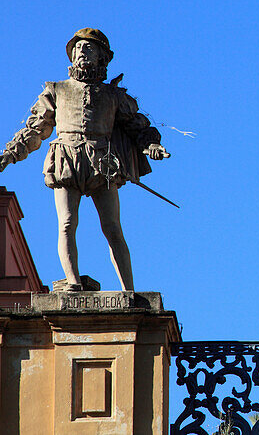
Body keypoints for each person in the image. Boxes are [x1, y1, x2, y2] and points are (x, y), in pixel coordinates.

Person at [0, 28, 170, 291]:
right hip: (66, 158)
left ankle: (128, 291)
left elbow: (137, 125)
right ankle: (73, 282)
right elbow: (35, 129)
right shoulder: (56, 90)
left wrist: (151, 145)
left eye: (88, 47)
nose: (81, 51)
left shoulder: (114, 96)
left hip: (103, 163)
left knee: (113, 228)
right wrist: (9, 155)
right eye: (77, 48)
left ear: (102, 57)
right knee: (67, 223)